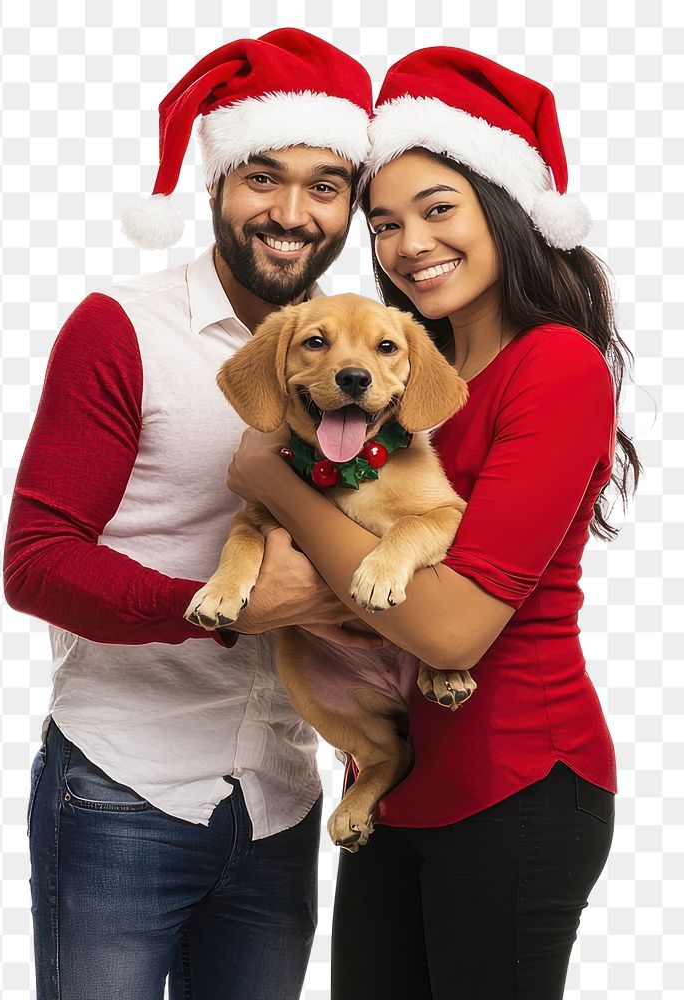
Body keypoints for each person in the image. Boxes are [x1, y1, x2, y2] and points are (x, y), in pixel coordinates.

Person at [224, 48, 641, 999]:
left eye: (437, 208)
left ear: (503, 207)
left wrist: (276, 483)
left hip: (518, 781)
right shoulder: (410, 375)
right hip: (400, 782)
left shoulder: (556, 366)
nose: (407, 243)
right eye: (384, 224)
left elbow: (451, 627)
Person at [3, 28, 374, 1000]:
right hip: (122, 790)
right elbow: (36, 561)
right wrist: (226, 606)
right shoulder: (120, 327)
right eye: (263, 177)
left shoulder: (363, 354)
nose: (290, 213)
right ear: (214, 182)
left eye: (324, 184)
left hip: (280, 803)